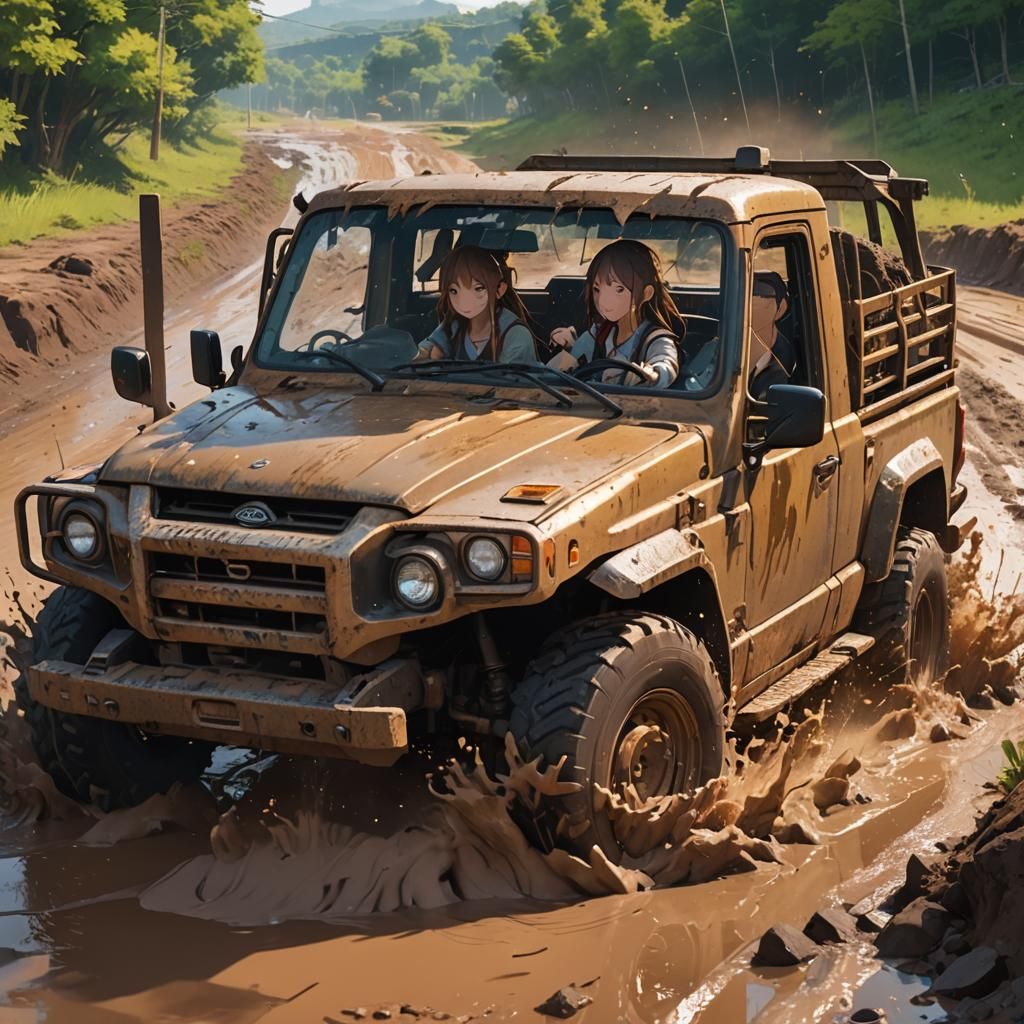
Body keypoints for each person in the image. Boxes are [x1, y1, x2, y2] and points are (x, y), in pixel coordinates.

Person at [547, 239, 682, 388]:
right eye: (597, 289)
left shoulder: (655, 339)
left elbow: (666, 364)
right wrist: (569, 345)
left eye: (619, 290)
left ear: (646, 294)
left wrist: (652, 375)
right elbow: (576, 357)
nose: (603, 301)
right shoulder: (600, 331)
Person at [418, 245, 537, 364]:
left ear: (500, 289)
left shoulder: (515, 334)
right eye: (454, 291)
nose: (464, 301)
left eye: (478, 289)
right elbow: (421, 354)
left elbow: (510, 380)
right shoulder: (455, 325)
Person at [748, 270, 797, 400]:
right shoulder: (724, 342)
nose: (750, 308)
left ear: (781, 308)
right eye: (745, 300)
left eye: (762, 299)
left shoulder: (782, 365)